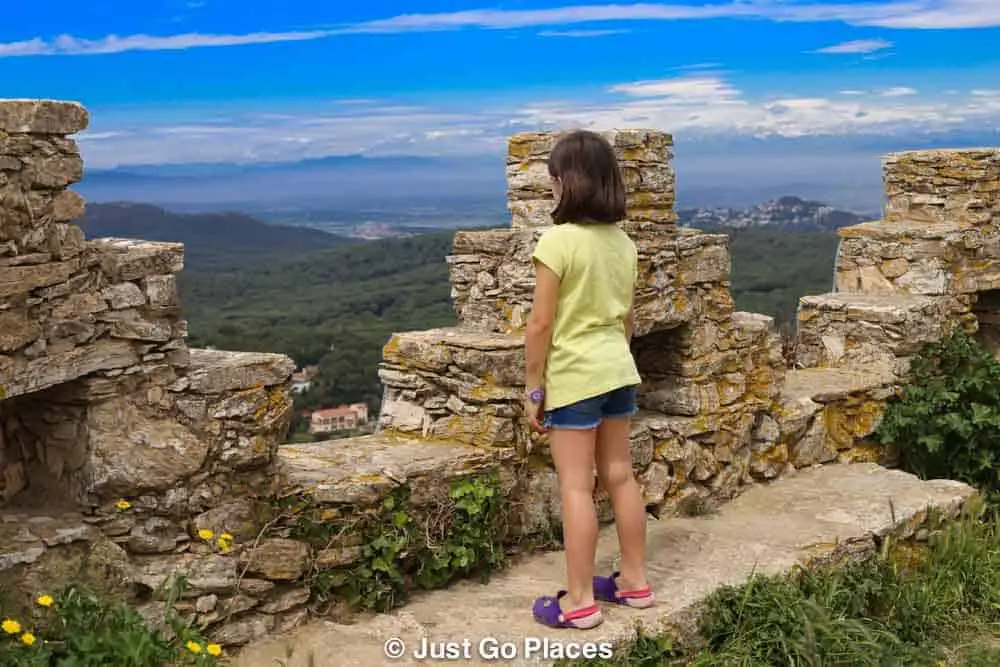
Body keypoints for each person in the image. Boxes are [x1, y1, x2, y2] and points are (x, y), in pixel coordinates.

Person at [524, 130, 654, 630]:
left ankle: (578, 600)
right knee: (620, 475)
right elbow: (625, 319)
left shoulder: (557, 241)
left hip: (576, 376)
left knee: (577, 488)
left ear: (567, 183)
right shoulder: (623, 243)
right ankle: (634, 582)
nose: (551, 189)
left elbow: (540, 324)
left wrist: (533, 388)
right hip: (618, 369)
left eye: (553, 180)